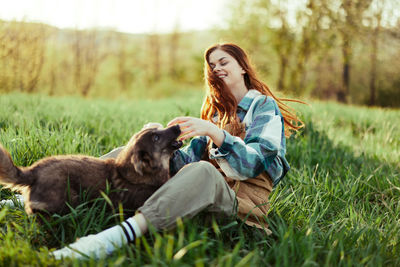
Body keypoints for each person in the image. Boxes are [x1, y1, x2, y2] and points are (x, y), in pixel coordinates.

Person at [46, 42, 303, 259]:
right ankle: (48, 189)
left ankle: (107, 241)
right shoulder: (216, 115)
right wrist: (157, 143)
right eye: (212, 66)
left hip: (239, 207)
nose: (216, 69)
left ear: (243, 67)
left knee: (203, 171)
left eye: (223, 62)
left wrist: (215, 133)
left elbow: (254, 163)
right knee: (126, 153)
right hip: (194, 200)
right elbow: (183, 163)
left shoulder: (264, 107)